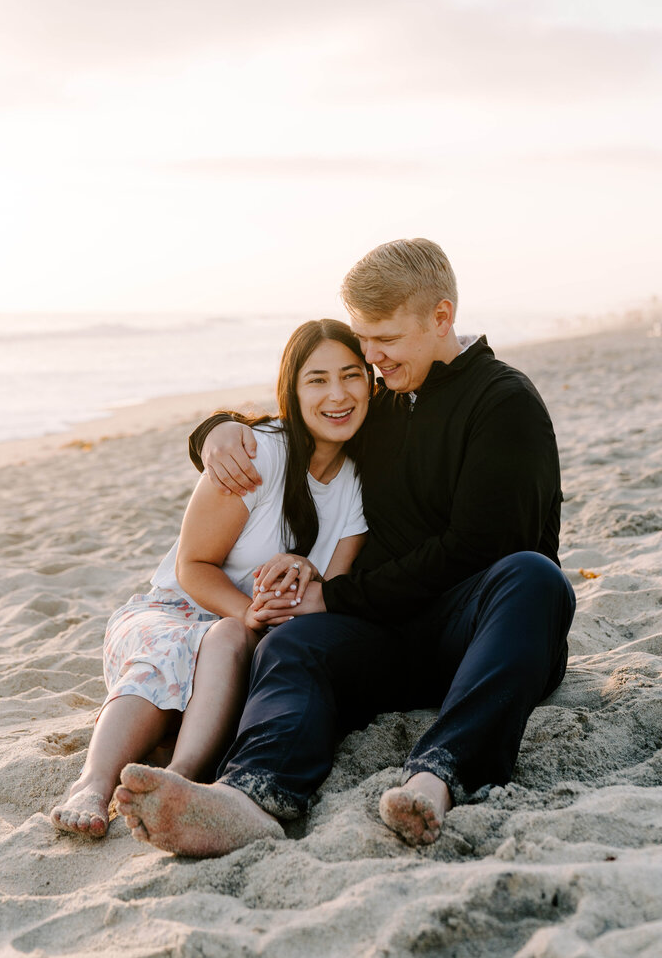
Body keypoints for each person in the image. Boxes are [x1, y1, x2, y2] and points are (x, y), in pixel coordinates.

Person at [114, 238, 576, 854]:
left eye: (385, 339)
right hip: (384, 637)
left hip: (485, 640)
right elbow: (304, 421)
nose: (371, 356)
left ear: (441, 319)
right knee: (289, 640)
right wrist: (218, 431)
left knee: (533, 575)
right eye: (364, 338)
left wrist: (333, 596)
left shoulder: (503, 404)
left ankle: (437, 777)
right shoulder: (383, 397)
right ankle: (250, 796)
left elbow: (478, 549)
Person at [51, 319, 371, 838]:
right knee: (189, 646)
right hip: (175, 610)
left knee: (229, 638)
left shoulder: (360, 480)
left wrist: (305, 568)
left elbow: (334, 588)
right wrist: (246, 611)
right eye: (317, 379)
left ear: (370, 383)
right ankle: (91, 783)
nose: (337, 394)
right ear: (291, 389)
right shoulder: (256, 454)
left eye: (351, 375)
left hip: (249, 632)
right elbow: (191, 566)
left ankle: (178, 778)